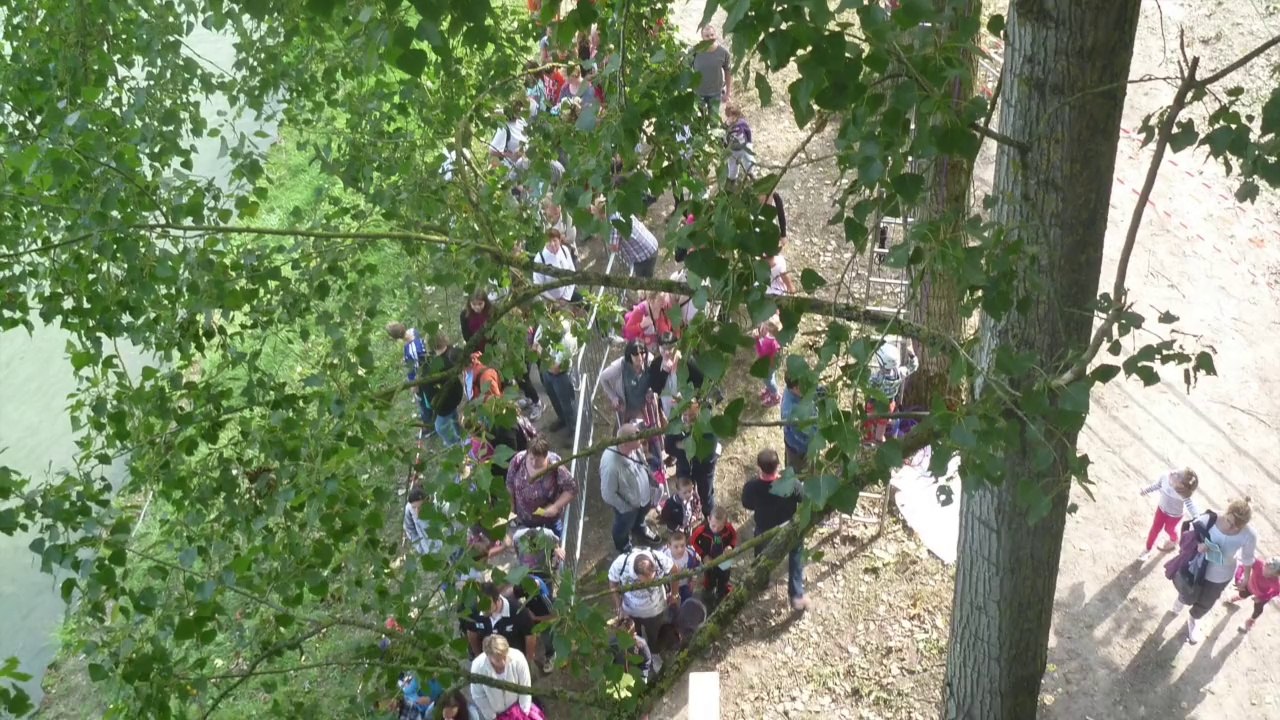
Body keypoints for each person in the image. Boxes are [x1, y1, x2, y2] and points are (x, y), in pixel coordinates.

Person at [1168, 497, 1258, 644]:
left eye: (1237, 526)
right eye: (1229, 521)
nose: (1231, 527)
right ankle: (1181, 601)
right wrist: (1199, 545)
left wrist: (1246, 578)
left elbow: (1248, 558)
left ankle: (1194, 619)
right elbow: (1187, 535)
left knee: (1207, 602)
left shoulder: (1250, 534)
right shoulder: (1209, 519)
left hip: (1220, 576)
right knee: (1187, 590)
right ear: (1227, 511)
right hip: (1197, 569)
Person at [742, 448, 809, 611]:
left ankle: (762, 581)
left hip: (764, 529)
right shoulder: (791, 483)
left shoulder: (751, 487)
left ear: (759, 468)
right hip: (788, 527)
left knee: (762, 555)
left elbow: (747, 504)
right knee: (796, 554)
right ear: (778, 466)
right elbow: (803, 497)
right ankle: (797, 595)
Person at [600, 422, 661, 552]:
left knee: (641, 516)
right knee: (623, 526)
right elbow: (608, 494)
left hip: (644, 496)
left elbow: (642, 461)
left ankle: (639, 527)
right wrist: (625, 508)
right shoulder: (611, 466)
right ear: (625, 443)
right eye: (636, 435)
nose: (640, 436)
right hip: (628, 506)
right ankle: (623, 545)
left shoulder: (635, 447)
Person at [506, 437, 578, 537]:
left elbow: (572, 488)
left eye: (538, 460)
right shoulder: (518, 460)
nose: (534, 463)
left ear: (545, 456)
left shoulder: (554, 465)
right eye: (531, 458)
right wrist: (512, 507)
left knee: (555, 545)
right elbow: (509, 483)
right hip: (525, 519)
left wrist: (556, 507)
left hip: (549, 521)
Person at [608, 548, 677, 645]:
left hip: (655, 611)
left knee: (655, 636)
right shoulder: (620, 565)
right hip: (630, 611)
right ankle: (639, 650)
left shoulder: (659, 559)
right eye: (644, 583)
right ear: (635, 574)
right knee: (634, 636)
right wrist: (619, 608)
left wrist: (675, 594)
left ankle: (654, 651)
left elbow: (675, 570)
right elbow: (613, 584)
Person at [662, 400, 720, 513]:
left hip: (704, 468)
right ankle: (685, 515)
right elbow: (668, 447)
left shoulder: (708, 423)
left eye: (692, 417)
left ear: (699, 412)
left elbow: (710, 451)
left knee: (706, 495)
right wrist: (681, 446)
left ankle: (708, 515)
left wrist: (687, 446)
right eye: (685, 416)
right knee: (684, 494)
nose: (688, 419)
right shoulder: (675, 422)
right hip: (684, 467)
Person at [1136, 468, 1201, 561]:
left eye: (1178, 475)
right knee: (1155, 528)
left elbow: (1190, 505)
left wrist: (1196, 517)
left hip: (1175, 516)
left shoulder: (1183, 493)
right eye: (1177, 471)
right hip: (1161, 510)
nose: (1174, 472)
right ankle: (1148, 549)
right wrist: (1146, 490)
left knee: (1170, 529)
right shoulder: (1165, 477)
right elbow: (1157, 485)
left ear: (1181, 485)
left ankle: (1174, 539)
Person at [467, 582, 538, 661]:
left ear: (497, 600)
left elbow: (530, 635)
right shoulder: (474, 611)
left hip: (513, 659)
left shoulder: (518, 610)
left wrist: (528, 659)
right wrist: (478, 655)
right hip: (490, 660)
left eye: (487, 605)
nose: (483, 609)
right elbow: (472, 633)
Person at [469, 635, 534, 720]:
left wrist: (523, 713)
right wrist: (492, 717)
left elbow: (525, 688)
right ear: (488, 656)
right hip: (496, 713)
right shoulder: (477, 667)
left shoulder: (518, 659)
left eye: (505, 657)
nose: (503, 663)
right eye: (498, 660)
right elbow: (479, 696)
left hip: (518, 707)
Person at [534, 314, 580, 433]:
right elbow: (534, 345)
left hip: (562, 376)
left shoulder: (567, 340)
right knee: (554, 399)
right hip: (546, 372)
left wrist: (540, 351)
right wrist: (543, 355)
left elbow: (555, 368)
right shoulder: (546, 327)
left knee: (567, 405)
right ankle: (562, 420)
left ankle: (573, 429)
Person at [593, 198, 659, 278]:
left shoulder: (614, 223)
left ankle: (648, 287)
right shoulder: (620, 211)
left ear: (602, 213)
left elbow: (614, 247)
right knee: (648, 273)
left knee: (642, 278)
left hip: (644, 254)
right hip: (650, 244)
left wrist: (604, 231)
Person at [600, 342, 662, 425]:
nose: (640, 357)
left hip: (646, 407)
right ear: (629, 355)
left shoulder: (650, 361)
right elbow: (603, 378)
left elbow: (655, 379)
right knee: (629, 434)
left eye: (642, 353)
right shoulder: (620, 366)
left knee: (652, 433)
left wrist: (651, 390)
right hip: (628, 409)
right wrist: (613, 397)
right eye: (635, 354)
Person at [422, 333, 466, 446]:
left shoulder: (431, 368)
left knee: (441, 428)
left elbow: (429, 392)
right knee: (454, 417)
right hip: (456, 395)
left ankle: (455, 445)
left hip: (443, 405)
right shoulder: (454, 353)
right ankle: (463, 437)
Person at [386, 322, 433, 426]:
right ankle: (427, 415)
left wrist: (414, 384)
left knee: (422, 398)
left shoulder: (411, 348)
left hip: (421, 377)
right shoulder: (413, 331)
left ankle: (428, 422)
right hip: (424, 370)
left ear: (397, 338)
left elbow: (417, 366)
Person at [690, 505, 738, 606]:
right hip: (709, 560)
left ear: (725, 523)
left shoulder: (729, 528)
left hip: (724, 559)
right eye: (713, 526)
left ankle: (721, 593)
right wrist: (703, 555)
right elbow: (693, 542)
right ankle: (708, 592)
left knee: (724, 576)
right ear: (708, 519)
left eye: (720, 527)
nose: (716, 529)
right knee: (709, 576)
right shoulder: (702, 530)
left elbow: (734, 537)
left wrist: (730, 547)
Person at [1225, 556, 1280, 633]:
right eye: (1265, 566)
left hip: (1262, 595)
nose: (1264, 571)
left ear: (1275, 575)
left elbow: (1276, 592)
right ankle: (1239, 597)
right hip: (1250, 585)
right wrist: (1238, 579)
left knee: (1258, 610)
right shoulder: (1258, 563)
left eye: (1269, 571)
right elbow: (1243, 565)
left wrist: (1263, 597)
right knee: (1242, 594)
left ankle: (1251, 620)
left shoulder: (1275, 582)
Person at [781, 373, 818, 473]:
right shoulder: (790, 412)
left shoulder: (800, 390)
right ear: (796, 388)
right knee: (797, 474)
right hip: (798, 450)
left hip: (806, 444)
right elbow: (802, 437)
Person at [532, 228, 580, 304]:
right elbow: (538, 285)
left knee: (586, 304)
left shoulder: (564, 250)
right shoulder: (540, 259)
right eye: (549, 241)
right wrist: (554, 301)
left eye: (554, 241)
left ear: (560, 241)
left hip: (567, 294)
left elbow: (572, 272)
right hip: (550, 301)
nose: (552, 244)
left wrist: (565, 297)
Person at [692, 25, 731, 114]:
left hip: (716, 93)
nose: (710, 38)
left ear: (716, 36)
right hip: (698, 93)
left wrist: (728, 93)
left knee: (714, 122)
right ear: (702, 37)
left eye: (712, 35)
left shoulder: (723, 53)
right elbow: (686, 68)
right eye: (707, 36)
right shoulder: (694, 51)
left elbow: (728, 71)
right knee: (698, 123)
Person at [658, 528, 700, 602]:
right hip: (670, 585)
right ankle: (673, 611)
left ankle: (684, 610)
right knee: (671, 602)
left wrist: (693, 580)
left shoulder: (690, 554)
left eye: (682, 546)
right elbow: (659, 570)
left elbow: (695, 567)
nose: (680, 550)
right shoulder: (663, 556)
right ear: (669, 546)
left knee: (687, 598)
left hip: (685, 583)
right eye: (676, 547)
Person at [609, 617, 654, 682]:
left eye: (627, 636)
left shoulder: (641, 645)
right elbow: (609, 661)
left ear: (634, 634)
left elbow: (646, 662)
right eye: (620, 634)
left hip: (635, 677)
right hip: (619, 676)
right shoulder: (613, 644)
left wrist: (642, 678)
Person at [658, 476, 703, 540]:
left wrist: (694, 516)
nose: (688, 494)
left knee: (686, 537)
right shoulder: (671, 504)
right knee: (675, 539)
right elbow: (665, 518)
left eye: (690, 491)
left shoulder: (694, 498)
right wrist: (677, 527)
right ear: (678, 492)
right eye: (684, 493)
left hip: (687, 524)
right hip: (675, 528)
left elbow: (697, 507)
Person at [403, 485, 441, 557]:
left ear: (427, 501)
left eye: (420, 507)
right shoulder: (408, 510)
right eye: (414, 508)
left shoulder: (437, 506)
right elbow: (410, 530)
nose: (417, 511)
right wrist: (420, 548)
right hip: (429, 553)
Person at [754, 319, 782, 407]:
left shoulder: (769, 342)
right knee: (770, 377)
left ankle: (775, 396)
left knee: (768, 380)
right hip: (773, 363)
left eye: (765, 326)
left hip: (768, 365)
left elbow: (761, 353)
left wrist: (757, 340)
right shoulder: (774, 339)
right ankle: (770, 390)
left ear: (769, 329)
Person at [724, 101, 753, 182]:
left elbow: (748, 132)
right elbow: (723, 134)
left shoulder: (742, 123)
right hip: (734, 149)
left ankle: (749, 172)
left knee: (748, 159)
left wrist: (749, 143)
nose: (732, 118)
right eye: (730, 116)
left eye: (733, 116)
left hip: (743, 146)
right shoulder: (727, 124)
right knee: (733, 164)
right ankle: (732, 178)